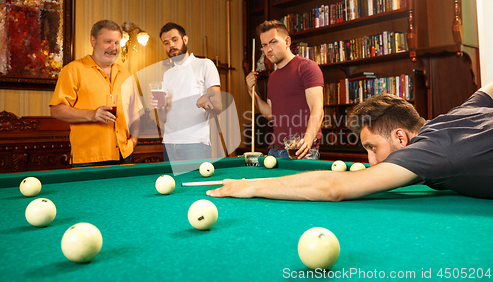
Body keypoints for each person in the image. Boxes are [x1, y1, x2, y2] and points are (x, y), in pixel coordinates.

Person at [207, 82, 493, 200]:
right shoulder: (460, 113)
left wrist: (252, 185)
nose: (370, 160)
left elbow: (334, 188)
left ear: (400, 137)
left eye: (372, 147)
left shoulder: (431, 149)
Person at [50, 20, 142, 167]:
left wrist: (134, 140)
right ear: (93, 41)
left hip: (124, 155)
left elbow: (135, 113)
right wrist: (92, 115)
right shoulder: (73, 70)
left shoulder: (125, 74)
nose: (113, 48)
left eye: (117, 43)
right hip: (88, 159)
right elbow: (56, 110)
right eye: (108, 41)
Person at [246, 20, 324, 159]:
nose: (268, 49)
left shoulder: (307, 67)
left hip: (302, 151)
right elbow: (271, 115)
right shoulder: (273, 77)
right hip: (275, 152)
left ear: (287, 41)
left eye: (273, 42)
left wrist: (308, 139)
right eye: (264, 45)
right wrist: (252, 92)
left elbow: (317, 108)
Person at [154, 22, 222, 162]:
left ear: (185, 40)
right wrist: (160, 107)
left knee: (198, 184)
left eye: (174, 40)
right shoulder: (167, 75)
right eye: (166, 43)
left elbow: (218, 107)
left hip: (195, 143)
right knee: (171, 184)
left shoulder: (205, 64)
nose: (171, 45)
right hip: (169, 143)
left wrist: (205, 102)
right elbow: (164, 118)